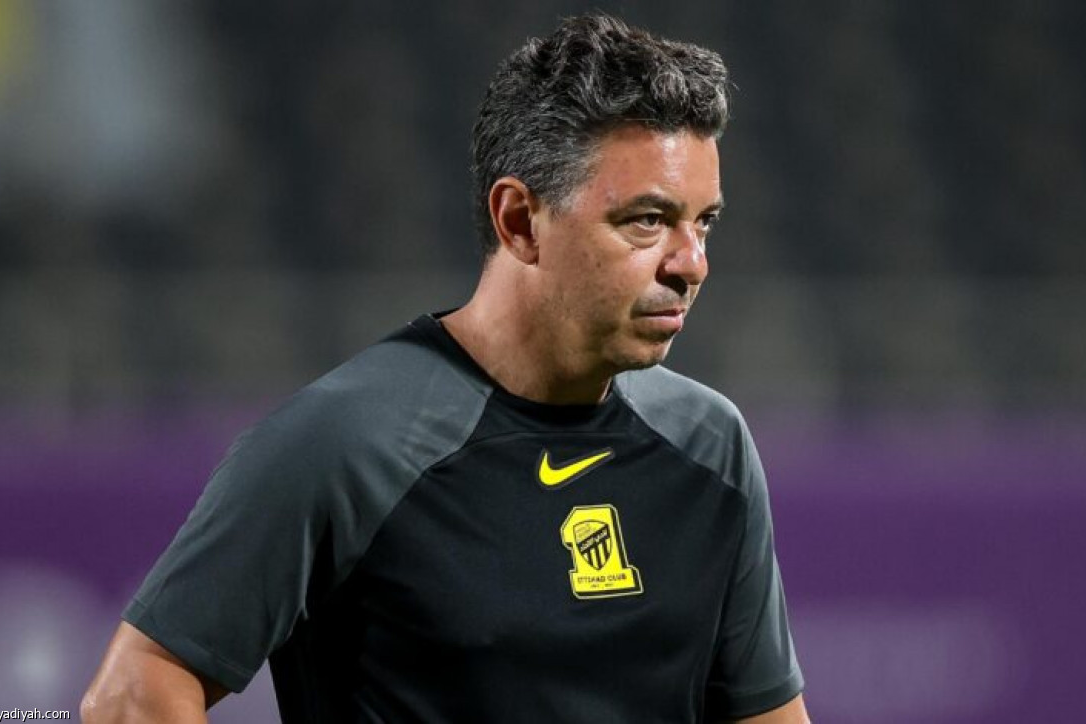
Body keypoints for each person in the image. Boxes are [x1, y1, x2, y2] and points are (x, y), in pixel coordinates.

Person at [82, 13, 809, 723]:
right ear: (519, 221)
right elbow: (133, 694)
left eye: (703, 222)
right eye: (647, 221)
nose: (692, 264)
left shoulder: (709, 445)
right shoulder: (344, 444)